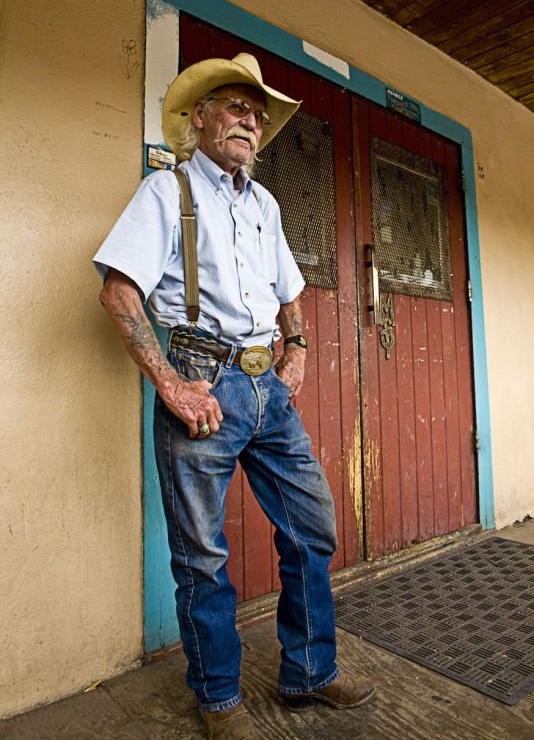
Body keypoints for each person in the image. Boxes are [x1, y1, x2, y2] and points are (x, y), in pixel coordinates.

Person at [94, 53, 375, 740]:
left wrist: (299, 349)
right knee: (203, 556)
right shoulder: (166, 193)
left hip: (268, 391)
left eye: (258, 112)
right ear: (199, 118)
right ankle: (219, 699)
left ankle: (309, 672)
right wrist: (170, 384)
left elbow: (290, 291)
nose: (250, 119)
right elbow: (119, 289)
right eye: (234, 105)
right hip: (203, 381)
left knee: (312, 529)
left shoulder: (265, 201)